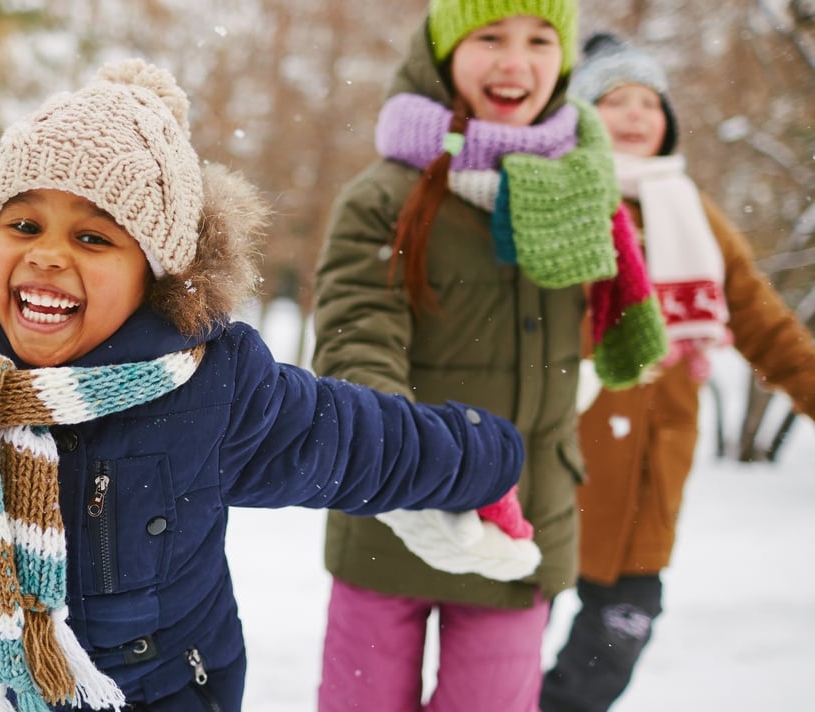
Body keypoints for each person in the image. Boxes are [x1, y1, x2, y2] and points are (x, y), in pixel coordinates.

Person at [0, 58, 530, 712]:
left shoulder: (211, 387)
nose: (47, 255)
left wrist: (485, 457)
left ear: (154, 274)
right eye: (24, 225)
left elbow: (357, 442)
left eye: (93, 238)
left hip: (159, 690)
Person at [310, 1, 672, 710]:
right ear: (444, 54)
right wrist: (416, 467)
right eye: (491, 37)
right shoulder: (383, 197)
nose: (515, 62)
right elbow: (357, 340)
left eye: (539, 40)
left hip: (524, 525)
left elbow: (606, 320)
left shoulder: (582, 190)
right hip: (394, 517)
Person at [540, 32, 815, 712]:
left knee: (617, 639)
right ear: (580, 117)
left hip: (649, 474)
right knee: (506, 641)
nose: (636, 114)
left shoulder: (695, 217)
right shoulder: (553, 200)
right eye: (615, 100)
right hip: (553, 462)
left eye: (650, 102)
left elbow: (767, 327)